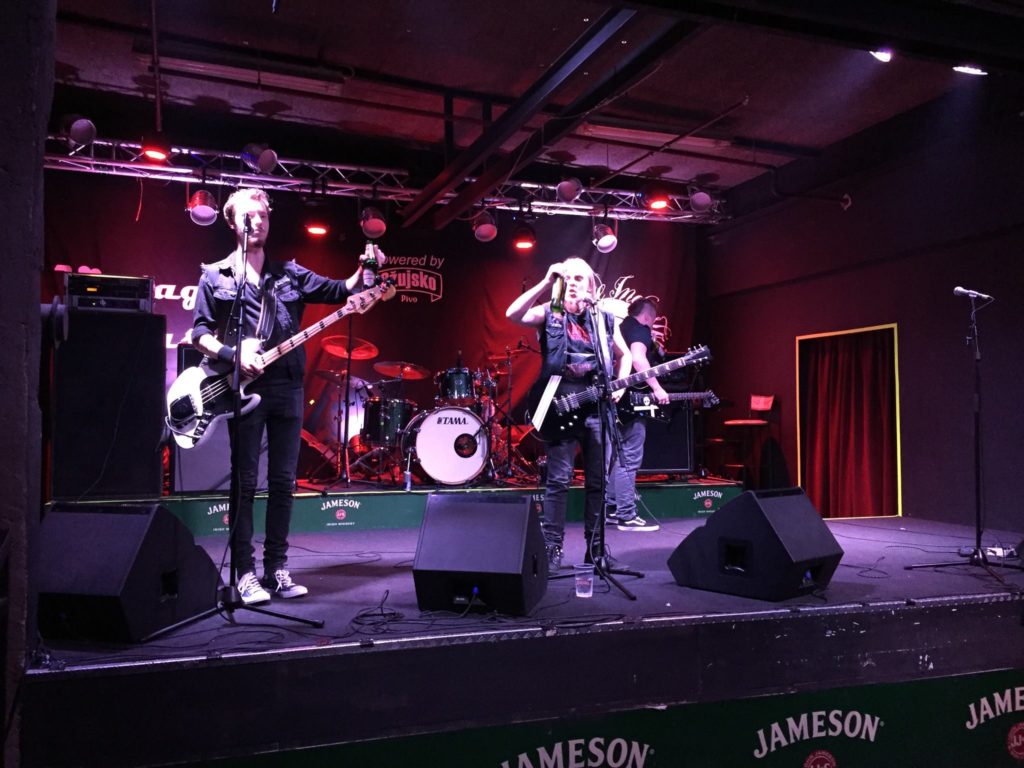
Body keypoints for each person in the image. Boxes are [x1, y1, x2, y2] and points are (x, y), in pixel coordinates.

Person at [191, 187, 385, 605]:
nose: (257, 221)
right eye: (249, 216)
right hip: (244, 389)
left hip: (288, 387)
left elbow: (341, 290)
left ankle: (276, 568)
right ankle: (243, 573)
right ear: (232, 222)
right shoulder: (215, 276)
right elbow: (199, 333)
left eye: (263, 215)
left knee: (283, 482)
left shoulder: (290, 274)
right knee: (244, 481)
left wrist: (364, 268)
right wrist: (232, 354)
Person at [505, 258, 631, 570]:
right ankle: (552, 549)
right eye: (568, 278)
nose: (573, 283)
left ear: (590, 285)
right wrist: (547, 282)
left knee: (598, 482)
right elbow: (513, 314)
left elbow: (624, 355)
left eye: (579, 278)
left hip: (596, 407)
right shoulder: (550, 312)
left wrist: (621, 384)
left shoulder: (603, 318)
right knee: (559, 480)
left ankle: (596, 551)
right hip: (559, 405)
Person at [605, 297, 670, 532]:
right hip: (631, 404)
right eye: (653, 320)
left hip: (614, 400)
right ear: (648, 317)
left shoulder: (620, 328)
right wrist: (657, 388)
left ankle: (612, 509)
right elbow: (639, 360)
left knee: (617, 457)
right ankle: (626, 514)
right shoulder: (640, 329)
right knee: (629, 458)